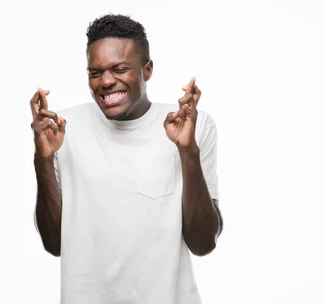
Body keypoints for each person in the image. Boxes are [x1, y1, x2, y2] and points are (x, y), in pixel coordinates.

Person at [29, 14, 223, 304]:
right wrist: (42, 159)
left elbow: (203, 242)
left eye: (120, 69)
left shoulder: (191, 125)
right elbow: (55, 244)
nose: (106, 81)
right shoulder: (63, 129)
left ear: (147, 70)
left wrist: (187, 151)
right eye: (95, 72)